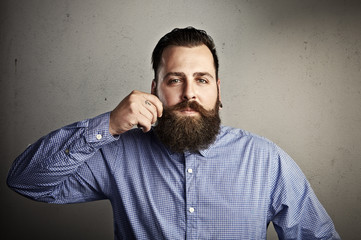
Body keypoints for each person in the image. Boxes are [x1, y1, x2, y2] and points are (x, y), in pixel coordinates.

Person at [7, 27, 340, 239]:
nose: (189, 93)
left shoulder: (265, 160)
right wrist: (106, 125)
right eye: (174, 79)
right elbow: (26, 181)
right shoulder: (118, 153)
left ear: (218, 91)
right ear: (155, 89)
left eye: (202, 79)